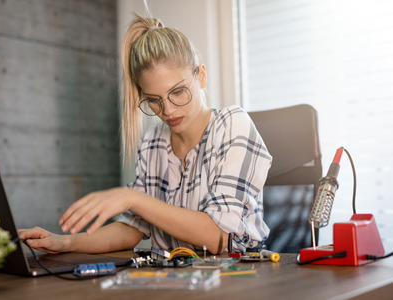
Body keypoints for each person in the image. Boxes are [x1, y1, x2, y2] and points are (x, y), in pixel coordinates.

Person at [19, 12, 272, 255]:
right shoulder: (154, 142)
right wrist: (64, 243)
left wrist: (132, 198)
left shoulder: (233, 124)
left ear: (201, 76)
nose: (168, 110)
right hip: (176, 278)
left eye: (178, 91)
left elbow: (218, 237)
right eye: (153, 100)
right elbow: (133, 228)